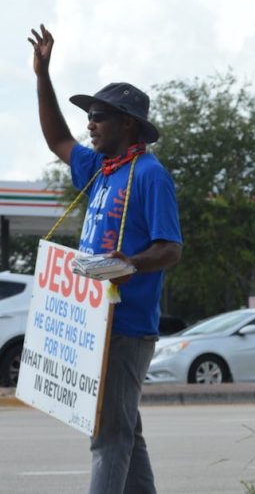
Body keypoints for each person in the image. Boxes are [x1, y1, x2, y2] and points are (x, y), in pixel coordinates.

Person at [29, 24, 182, 494]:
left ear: (128, 124)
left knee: (108, 438)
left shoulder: (151, 176)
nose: (89, 124)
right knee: (124, 432)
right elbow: (57, 140)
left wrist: (129, 263)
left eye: (99, 116)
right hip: (92, 323)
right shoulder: (100, 169)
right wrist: (42, 75)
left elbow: (170, 249)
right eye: (89, 116)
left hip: (126, 327)